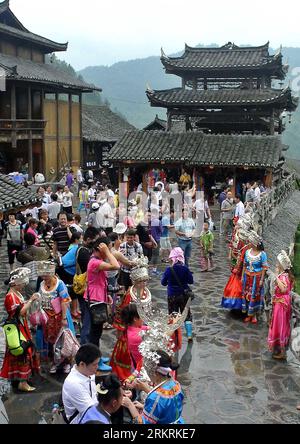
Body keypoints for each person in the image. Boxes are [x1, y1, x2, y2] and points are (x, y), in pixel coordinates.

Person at [0, 268, 40, 392]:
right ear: (16, 283)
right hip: (18, 328)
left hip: (23, 326)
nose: (23, 286)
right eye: (22, 284)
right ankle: (22, 382)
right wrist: (32, 300)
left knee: (24, 351)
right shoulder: (10, 297)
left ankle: (20, 378)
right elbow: (20, 312)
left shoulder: (16, 294)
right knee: (24, 352)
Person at [83, 238, 120, 371]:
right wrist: (108, 252)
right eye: (107, 249)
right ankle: (94, 361)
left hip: (97, 297)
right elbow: (116, 266)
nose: (109, 251)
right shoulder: (94, 262)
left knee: (97, 332)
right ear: (99, 249)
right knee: (95, 333)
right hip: (94, 299)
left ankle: (96, 356)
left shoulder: (96, 261)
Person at [35, 261, 75, 374]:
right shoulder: (42, 284)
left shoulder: (60, 284)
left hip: (59, 317)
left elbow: (66, 300)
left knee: (62, 340)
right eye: (42, 276)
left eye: (46, 276)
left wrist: (63, 318)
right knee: (50, 341)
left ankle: (65, 362)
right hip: (47, 318)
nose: (44, 278)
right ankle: (54, 362)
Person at [127, 350, 185, 424]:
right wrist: (143, 406)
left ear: (156, 373)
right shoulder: (176, 384)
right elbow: (166, 408)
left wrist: (130, 405)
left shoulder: (155, 398)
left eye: (148, 372)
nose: (148, 375)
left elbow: (142, 423)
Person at [62, 344, 101, 424]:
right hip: (79, 419)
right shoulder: (74, 384)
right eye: (94, 364)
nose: (97, 367)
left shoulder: (88, 372)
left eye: (98, 363)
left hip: (90, 407)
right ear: (82, 364)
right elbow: (92, 413)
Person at [161, 248, 194, 341]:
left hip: (172, 295)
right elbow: (191, 281)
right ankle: (189, 335)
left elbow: (163, 283)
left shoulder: (169, 270)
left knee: (173, 315)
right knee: (186, 314)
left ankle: (175, 336)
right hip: (184, 295)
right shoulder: (185, 268)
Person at [110, 304, 147, 382]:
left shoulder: (132, 328)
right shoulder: (137, 335)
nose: (144, 319)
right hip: (139, 366)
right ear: (135, 319)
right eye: (142, 316)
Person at [268, 251, 294, 360]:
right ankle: (280, 347)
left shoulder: (282, 277)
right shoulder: (286, 275)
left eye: (278, 262)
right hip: (283, 302)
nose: (276, 264)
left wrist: (275, 277)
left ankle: (282, 352)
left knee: (281, 325)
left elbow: (283, 289)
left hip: (281, 304)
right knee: (282, 325)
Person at [241, 231, 269, 324]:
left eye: (251, 242)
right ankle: (248, 314)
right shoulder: (248, 252)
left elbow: (264, 268)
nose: (249, 243)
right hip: (247, 277)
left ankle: (254, 315)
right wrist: (242, 276)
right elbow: (244, 265)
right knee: (246, 295)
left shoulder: (262, 254)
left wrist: (261, 280)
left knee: (255, 296)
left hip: (256, 278)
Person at [58, 232, 82, 319]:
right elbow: (72, 261)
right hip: (66, 270)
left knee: (73, 291)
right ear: (76, 239)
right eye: (80, 238)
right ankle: (72, 311)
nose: (82, 239)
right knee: (72, 291)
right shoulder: (76, 248)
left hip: (67, 270)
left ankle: (75, 309)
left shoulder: (75, 247)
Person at [17, 233, 49, 297]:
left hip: (30, 280)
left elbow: (19, 260)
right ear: (34, 240)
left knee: (31, 301)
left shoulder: (21, 253)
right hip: (42, 279)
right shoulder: (42, 250)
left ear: (25, 241)